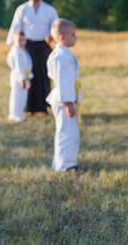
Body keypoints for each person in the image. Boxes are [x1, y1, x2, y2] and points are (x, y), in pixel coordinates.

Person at [7, 0, 58, 115]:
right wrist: (13, 44)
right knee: (28, 75)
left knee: (44, 76)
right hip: (27, 46)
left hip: (43, 46)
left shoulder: (49, 10)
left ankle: (44, 105)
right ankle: (28, 107)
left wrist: (53, 37)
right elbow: (16, 27)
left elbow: (56, 27)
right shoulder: (22, 9)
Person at [46, 18, 81, 172]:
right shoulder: (61, 57)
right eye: (72, 34)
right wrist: (68, 103)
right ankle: (64, 165)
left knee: (70, 132)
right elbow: (63, 82)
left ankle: (67, 161)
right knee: (66, 133)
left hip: (67, 99)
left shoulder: (65, 54)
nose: (75, 37)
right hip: (64, 101)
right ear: (61, 38)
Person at [6, 31, 32, 122]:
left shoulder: (23, 51)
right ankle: (15, 115)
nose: (22, 42)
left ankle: (19, 113)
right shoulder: (16, 52)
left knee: (22, 97)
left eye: (23, 40)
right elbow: (18, 67)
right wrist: (22, 79)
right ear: (14, 40)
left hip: (25, 77)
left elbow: (27, 65)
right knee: (17, 96)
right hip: (18, 78)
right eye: (19, 40)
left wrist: (28, 77)